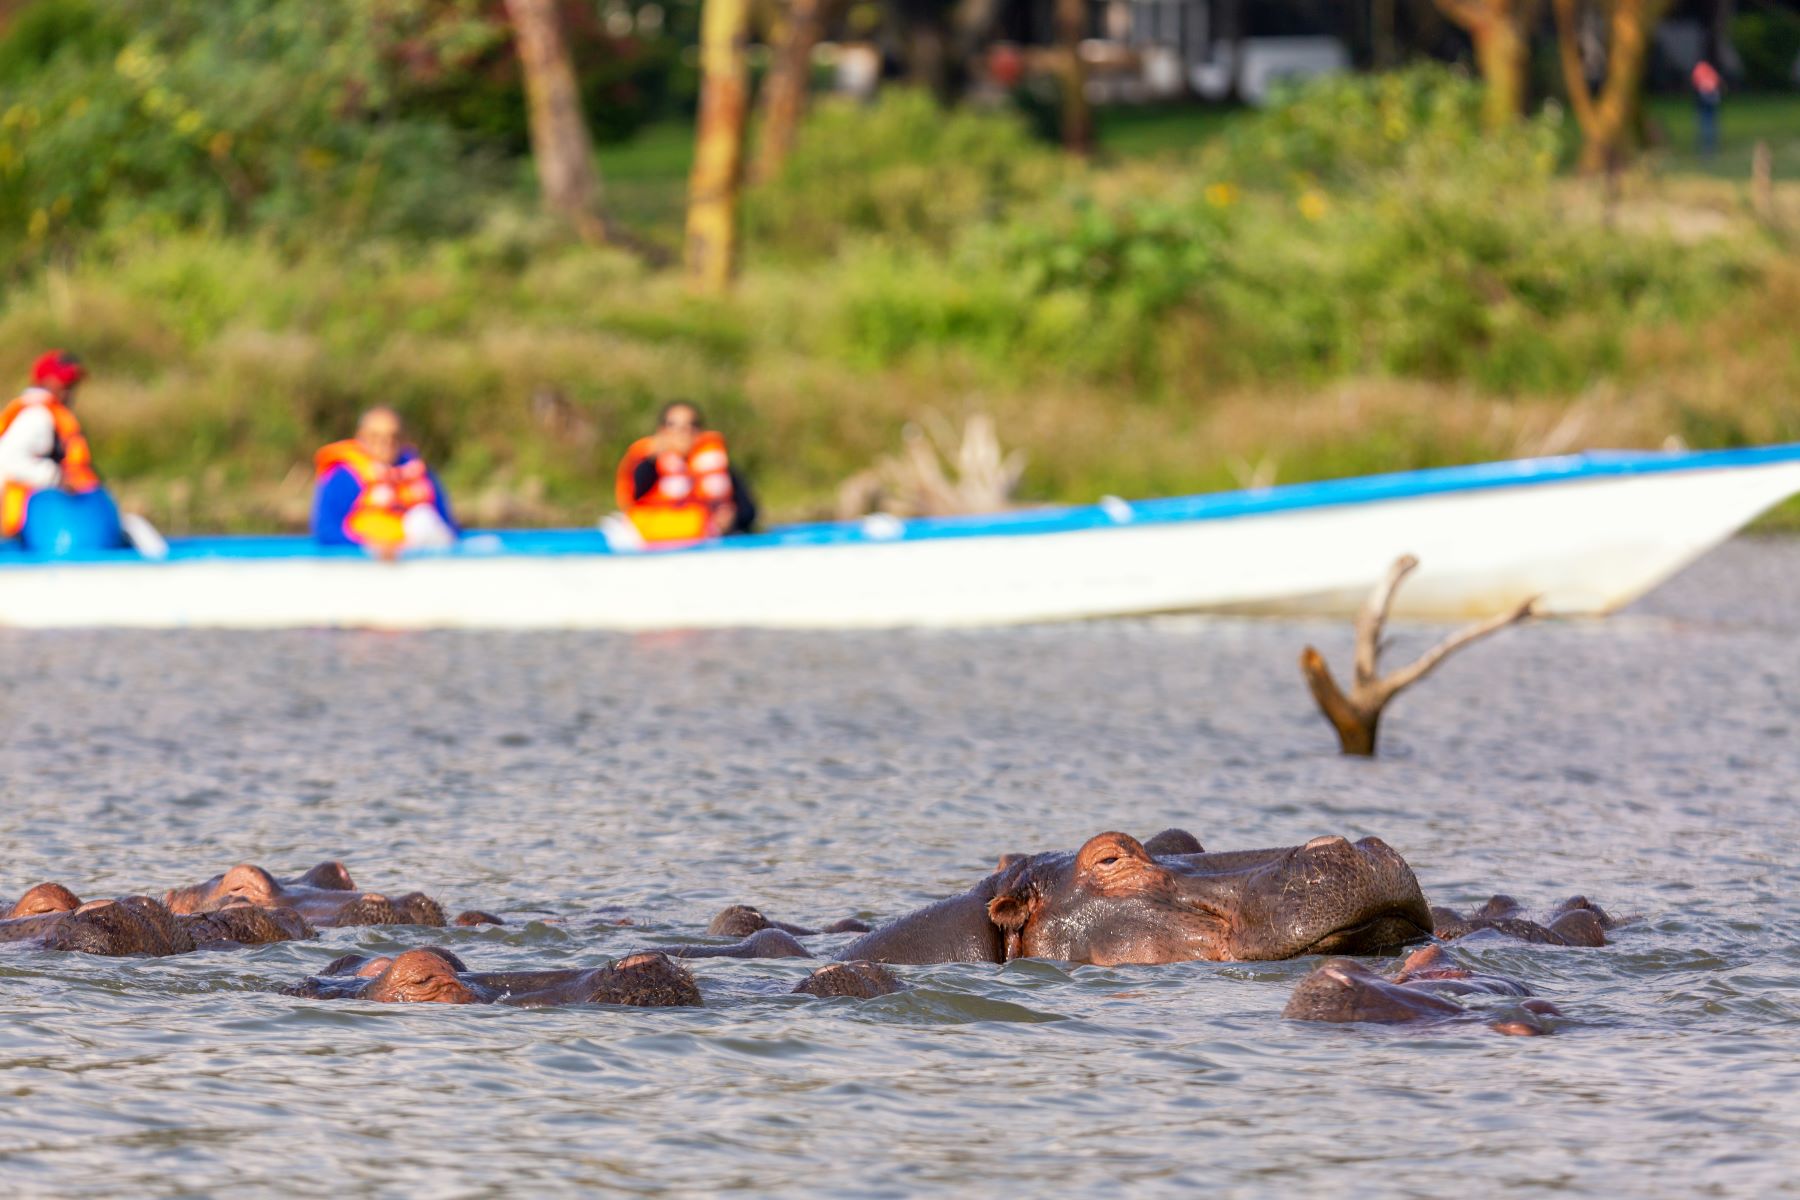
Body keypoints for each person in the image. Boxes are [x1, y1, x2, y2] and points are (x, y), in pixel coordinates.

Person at [311, 406, 457, 557]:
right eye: (376, 436)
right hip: (364, 560)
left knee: (423, 518)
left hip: (419, 555)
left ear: (403, 438)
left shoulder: (419, 473)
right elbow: (327, 531)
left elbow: (447, 525)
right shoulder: (343, 478)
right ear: (361, 436)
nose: (386, 443)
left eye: (394, 436)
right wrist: (372, 548)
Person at [615, 401, 756, 543]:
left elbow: (748, 510)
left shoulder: (714, 460)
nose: (684, 432)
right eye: (674, 426)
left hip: (707, 542)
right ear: (662, 431)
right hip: (655, 541)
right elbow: (634, 493)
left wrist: (733, 519)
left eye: (692, 425)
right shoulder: (649, 463)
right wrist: (652, 459)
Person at [0, 350, 100, 540]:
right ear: (45, 382)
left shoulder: (43, 412)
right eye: (65, 383)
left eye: (73, 385)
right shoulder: (38, 416)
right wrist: (57, 477)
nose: (70, 391)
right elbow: (7, 461)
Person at [1692, 59, 1722, 157]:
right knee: (1711, 122)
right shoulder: (1710, 71)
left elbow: (1695, 83)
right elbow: (1717, 81)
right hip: (1712, 100)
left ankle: (1706, 146)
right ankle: (1711, 144)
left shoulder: (1698, 70)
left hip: (1703, 100)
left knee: (1705, 123)